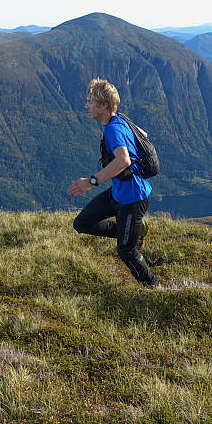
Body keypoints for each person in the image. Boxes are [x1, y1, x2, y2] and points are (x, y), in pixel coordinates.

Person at [67, 79, 159, 288]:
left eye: (90, 102)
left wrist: (92, 181)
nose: (86, 106)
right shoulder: (119, 121)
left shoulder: (113, 129)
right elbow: (143, 135)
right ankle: (136, 231)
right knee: (81, 223)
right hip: (119, 193)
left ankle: (153, 286)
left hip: (133, 198)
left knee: (126, 251)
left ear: (103, 106)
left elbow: (123, 160)